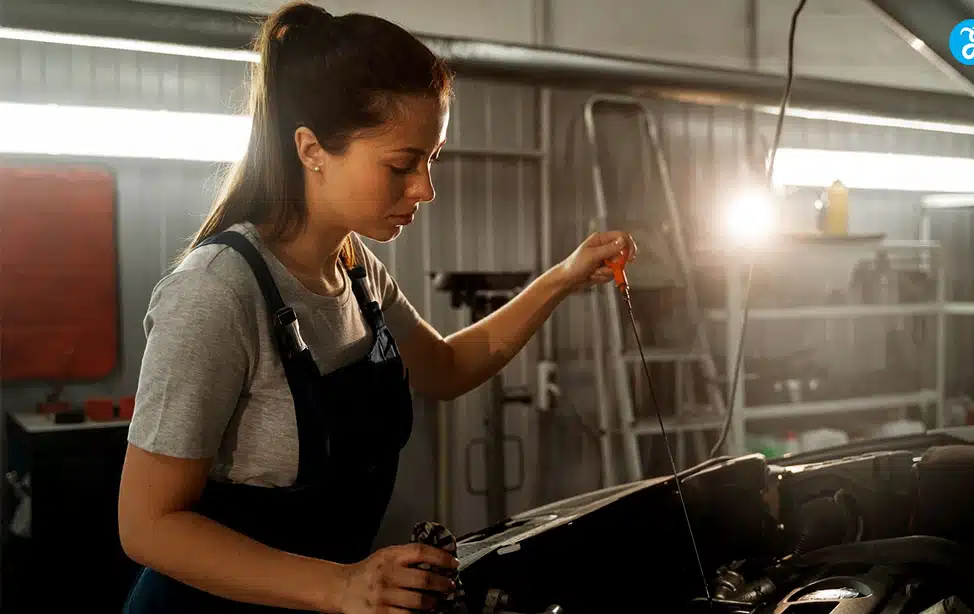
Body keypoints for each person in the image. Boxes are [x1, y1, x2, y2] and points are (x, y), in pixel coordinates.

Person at [117, 2, 637, 613]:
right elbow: (147, 525)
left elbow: (444, 368)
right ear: (311, 149)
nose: (425, 188)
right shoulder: (216, 293)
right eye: (401, 164)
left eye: (430, 159)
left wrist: (562, 278)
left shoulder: (355, 268)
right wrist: (342, 586)